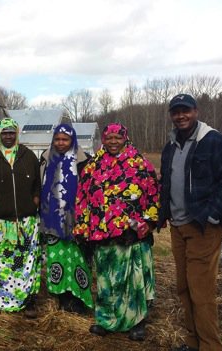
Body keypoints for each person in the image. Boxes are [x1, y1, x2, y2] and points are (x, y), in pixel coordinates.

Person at [159, 94, 222, 351]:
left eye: (186, 111)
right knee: (184, 287)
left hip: (203, 228)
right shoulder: (171, 146)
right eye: (176, 112)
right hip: (178, 227)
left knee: (201, 291)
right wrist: (164, 214)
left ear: (196, 111)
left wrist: (212, 216)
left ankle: (210, 346)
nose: (181, 116)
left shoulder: (214, 142)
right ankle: (192, 342)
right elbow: (166, 183)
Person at [73, 123, 160, 341]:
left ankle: (137, 322)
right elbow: (82, 197)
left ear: (125, 138)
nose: (113, 141)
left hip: (131, 234)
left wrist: (149, 222)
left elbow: (153, 194)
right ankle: (106, 320)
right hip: (102, 233)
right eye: (109, 137)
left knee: (133, 279)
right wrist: (82, 226)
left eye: (117, 137)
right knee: (106, 279)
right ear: (104, 139)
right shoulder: (93, 165)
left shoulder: (140, 164)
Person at [0, 117, 42, 318]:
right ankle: (4, 301)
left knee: (25, 262)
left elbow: (38, 182)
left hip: (26, 222)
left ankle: (28, 300)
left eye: (12, 132)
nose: (8, 136)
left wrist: (35, 199)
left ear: (17, 134)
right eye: (5, 133)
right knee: (1, 263)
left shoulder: (28, 156)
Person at [39, 124, 93, 314]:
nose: (61, 143)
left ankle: (79, 299)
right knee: (57, 259)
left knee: (78, 259)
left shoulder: (84, 160)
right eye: (57, 139)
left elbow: (90, 190)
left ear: (72, 140)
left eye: (65, 139)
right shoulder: (45, 158)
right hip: (52, 219)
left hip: (76, 218)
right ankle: (62, 297)